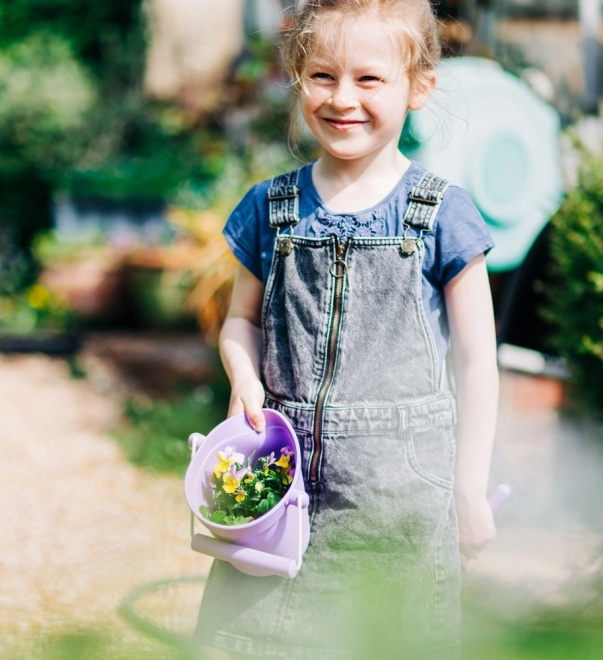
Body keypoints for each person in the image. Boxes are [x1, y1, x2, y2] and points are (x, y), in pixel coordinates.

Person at [195, 0, 499, 657]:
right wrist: (244, 377)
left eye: (370, 79)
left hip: (398, 507)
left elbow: (478, 363)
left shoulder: (443, 216)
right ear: (297, 77)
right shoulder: (268, 208)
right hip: (281, 488)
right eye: (323, 76)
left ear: (418, 87)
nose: (343, 99)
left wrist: (469, 486)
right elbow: (239, 322)